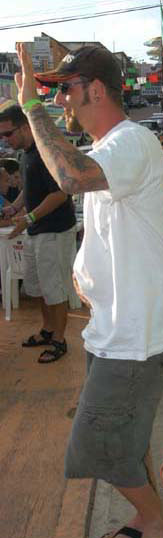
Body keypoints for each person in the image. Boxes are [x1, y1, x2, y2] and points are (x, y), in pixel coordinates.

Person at [15, 43, 163, 538]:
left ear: (94, 89)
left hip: (136, 336)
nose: (60, 98)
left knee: (98, 442)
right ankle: (146, 513)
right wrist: (88, 273)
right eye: (53, 91)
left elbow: (71, 177)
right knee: (126, 438)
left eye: (65, 88)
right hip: (115, 328)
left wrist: (31, 109)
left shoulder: (130, 142)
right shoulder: (111, 147)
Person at [0, 104, 77, 363]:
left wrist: (29, 217)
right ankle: (47, 330)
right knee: (42, 288)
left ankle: (59, 340)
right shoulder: (26, 154)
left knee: (54, 289)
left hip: (53, 231)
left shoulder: (46, 152)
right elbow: (30, 189)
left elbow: (61, 193)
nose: (5, 140)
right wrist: (15, 208)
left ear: (24, 127)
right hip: (37, 230)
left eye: (8, 134)